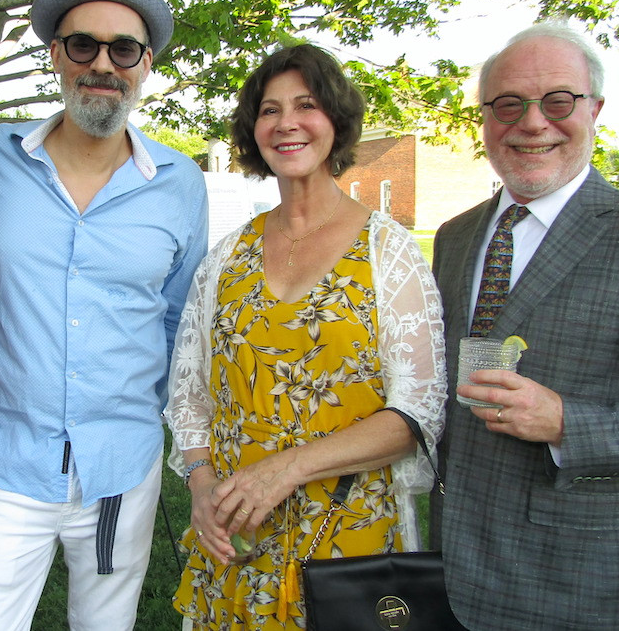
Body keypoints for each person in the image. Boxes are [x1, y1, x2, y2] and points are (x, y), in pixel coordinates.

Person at [431, 23, 619, 630]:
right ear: (485, 118)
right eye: (508, 104)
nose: (532, 122)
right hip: (455, 569)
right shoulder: (456, 237)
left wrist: (566, 423)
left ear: (594, 109)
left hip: (584, 583)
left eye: (557, 101)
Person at [0, 0, 208, 631]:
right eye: (83, 45)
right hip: (9, 461)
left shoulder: (179, 182)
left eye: (123, 50)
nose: (102, 64)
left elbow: (180, 318)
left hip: (120, 467)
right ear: (56, 56)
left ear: (145, 64)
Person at [165, 44, 448, 629]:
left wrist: (288, 468)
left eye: (306, 105)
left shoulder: (387, 251)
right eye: (269, 110)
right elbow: (189, 394)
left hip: (347, 539)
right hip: (238, 543)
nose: (286, 123)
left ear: (336, 121)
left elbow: (417, 413)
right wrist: (200, 486)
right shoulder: (228, 256)